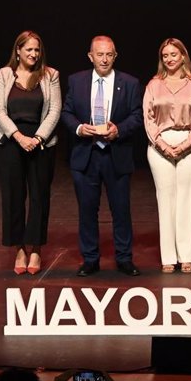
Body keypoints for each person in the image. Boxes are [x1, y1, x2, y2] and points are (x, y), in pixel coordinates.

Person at [61, 35, 143, 277]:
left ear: (115, 56)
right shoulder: (76, 81)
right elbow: (66, 112)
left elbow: (137, 116)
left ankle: (124, 258)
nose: (104, 59)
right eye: (100, 54)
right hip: (85, 155)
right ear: (91, 56)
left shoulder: (129, 83)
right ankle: (90, 259)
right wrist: (79, 128)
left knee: (121, 210)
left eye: (109, 54)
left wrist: (119, 130)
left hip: (116, 154)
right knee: (87, 210)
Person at [0, 30, 61, 275]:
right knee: (13, 196)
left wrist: (38, 138)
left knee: (39, 196)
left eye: (37, 50)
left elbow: (54, 110)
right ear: (18, 51)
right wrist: (19, 137)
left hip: (40, 143)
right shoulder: (3, 75)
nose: (33, 54)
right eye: (29, 49)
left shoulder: (50, 75)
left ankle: (36, 249)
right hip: (11, 142)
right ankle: (19, 248)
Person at [144, 38, 191, 274]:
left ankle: (187, 254)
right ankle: (168, 256)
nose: (169, 59)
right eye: (165, 55)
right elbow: (148, 119)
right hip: (160, 146)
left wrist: (185, 145)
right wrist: (162, 145)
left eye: (174, 54)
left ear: (183, 56)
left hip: (189, 145)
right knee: (165, 199)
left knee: (185, 199)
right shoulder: (153, 85)